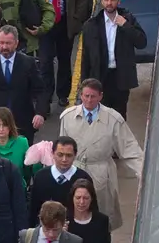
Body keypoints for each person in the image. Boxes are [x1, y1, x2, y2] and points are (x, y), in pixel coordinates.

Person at [59, 78, 144, 232]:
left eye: (92, 96)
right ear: (81, 95)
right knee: (75, 214)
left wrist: (143, 171)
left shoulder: (113, 119)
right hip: (76, 171)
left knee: (102, 216)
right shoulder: (68, 117)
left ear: (100, 96)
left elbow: (129, 148)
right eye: (85, 96)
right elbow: (61, 148)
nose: (88, 100)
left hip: (101, 173)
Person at [78, 0, 147, 119]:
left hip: (120, 77)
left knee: (119, 116)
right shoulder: (91, 26)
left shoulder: (128, 19)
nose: (109, 3)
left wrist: (125, 25)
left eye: (113, 0)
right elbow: (85, 58)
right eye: (106, 0)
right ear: (102, 1)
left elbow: (141, 43)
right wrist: (84, 85)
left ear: (118, 1)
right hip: (100, 77)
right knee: (101, 116)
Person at [0, 24, 47, 136]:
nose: (4, 47)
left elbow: (40, 89)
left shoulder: (28, 63)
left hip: (22, 123)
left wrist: (40, 113)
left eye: (8, 43)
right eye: (1, 43)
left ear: (16, 43)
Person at [27, 134, 94, 225]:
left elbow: (91, 210)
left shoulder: (83, 178)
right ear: (53, 154)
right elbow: (33, 208)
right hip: (47, 229)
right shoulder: (41, 176)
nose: (64, 159)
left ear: (75, 155)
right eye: (60, 155)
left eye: (69, 155)